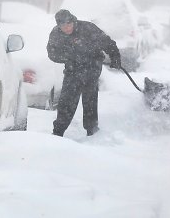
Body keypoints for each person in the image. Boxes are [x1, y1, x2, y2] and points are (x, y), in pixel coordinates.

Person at [47, 9, 121, 137]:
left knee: (90, 98)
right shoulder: (56, 34)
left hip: (92, 66)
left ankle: (92, 129)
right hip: (72, 69)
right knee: (67, 100)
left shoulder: (87, 28)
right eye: (63, 26)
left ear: (73, 21)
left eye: (69, 24)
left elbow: (107, 42)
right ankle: (58, 131)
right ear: (59, 26)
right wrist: (69, 57)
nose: (67, 28)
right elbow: (52, 53)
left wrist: (115, 57)